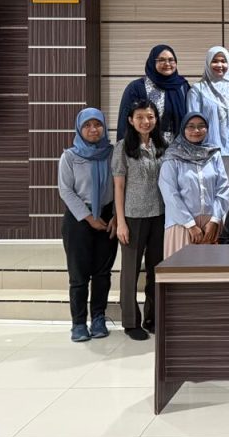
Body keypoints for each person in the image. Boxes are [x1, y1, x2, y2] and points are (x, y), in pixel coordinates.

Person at [57, 108, 117, 343]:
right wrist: (89, 218)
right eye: (87, 125)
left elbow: (121, 186)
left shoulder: (113, 154)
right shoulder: (70, 157)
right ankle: (79, 322)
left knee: (102, 273)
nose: (93, 129)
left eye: (98, 124)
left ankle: (99, 318)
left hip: (108, 217)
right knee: (79, 275)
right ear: (79, 129)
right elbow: (66, 191)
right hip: (79, 219)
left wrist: (116, 216)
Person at [111, 100, 166, 341]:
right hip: (133, 217)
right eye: (140, 117)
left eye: (150, 117)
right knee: (130, 271)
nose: (146, 121)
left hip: (160, 215)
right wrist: (121, 221)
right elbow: (118, 186)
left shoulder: (163, 145)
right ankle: (130, 321)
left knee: (156, 269)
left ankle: (152, 318)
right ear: (131, 120)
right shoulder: (122, 147)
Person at [158, 112, 229, 257]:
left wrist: (215, 220)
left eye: (201, 126)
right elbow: (170, 194)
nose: (196, 130)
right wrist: (190, 225)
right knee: (183, 268)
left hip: (211, 225)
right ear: (183, 129)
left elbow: (223, 189)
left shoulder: (213, 154)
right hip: (182, 224)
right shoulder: (172, 156)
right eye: (190, 126)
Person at [187, 46, 229, 191]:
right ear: (208, 63)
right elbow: (192, 124)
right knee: (211, 193)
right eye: (215, 61)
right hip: (208, 153)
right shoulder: (198, 90)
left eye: (223, 61)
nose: (220, 65)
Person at [116, 44, 190, 143]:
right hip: (146, 146)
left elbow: (190, 119)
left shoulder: (182, 87)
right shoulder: (136, 87)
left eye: (171, 60)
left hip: (178, 147)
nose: (167, 63)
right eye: (161, 60)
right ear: (152, 62)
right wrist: (125, 147)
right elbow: (125, 120)